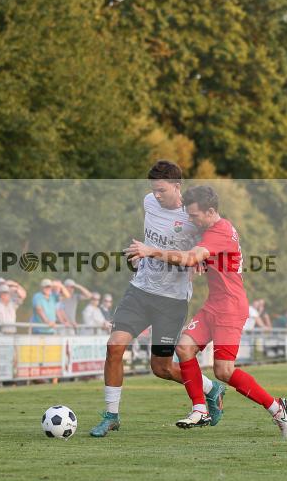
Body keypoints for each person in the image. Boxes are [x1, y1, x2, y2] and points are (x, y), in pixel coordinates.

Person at [125, 184, 287, 438]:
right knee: (184, 348)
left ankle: (276, 407)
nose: (191, 220)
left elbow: (191, 257)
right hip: (215, 305)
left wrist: (150, 251)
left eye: (194, 215)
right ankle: (200, 409)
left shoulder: (219, 231)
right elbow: (203, 255)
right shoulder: (214, 230)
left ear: (210, 211)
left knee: (223, 371)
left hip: (230, 309)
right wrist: (201, 260)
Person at [89, 160, 225, 438]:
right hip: (139, 291)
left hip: (171, 301)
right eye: (154, 190)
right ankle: (111, 415)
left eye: (162, 190)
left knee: (161, 368)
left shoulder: (193, 216)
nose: (157, 195)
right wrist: (143, 253)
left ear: (177, 187)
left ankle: (211, 388)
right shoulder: (149, 202)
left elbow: (208, 248)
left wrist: (199, 261)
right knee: (114, 347)